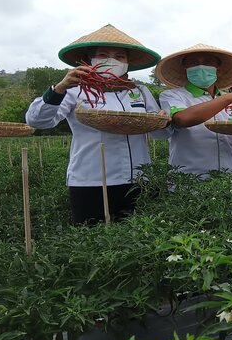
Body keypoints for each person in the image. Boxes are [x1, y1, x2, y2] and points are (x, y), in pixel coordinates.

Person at [25, 24, 165, 224]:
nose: (112, 60)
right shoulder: (75, 90)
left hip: (139, 180)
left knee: (139, 241)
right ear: (90, 61)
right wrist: (60, 87)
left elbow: (160, 133)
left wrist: (162, 120)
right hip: (91, 181)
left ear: (127, 63)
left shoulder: (140, 91)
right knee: (92, 242)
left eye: (120, 56)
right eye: (103, 54)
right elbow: (37, 120)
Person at [156, 43, 232, 179]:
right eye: (193, 63)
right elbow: (181, 119)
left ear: (219, 70)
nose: (200, 67)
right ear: (185, 70)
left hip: (227, 180)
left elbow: (231, 139)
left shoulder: (230, 103)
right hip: (188, 182)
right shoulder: (173, 96)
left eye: (207, 62)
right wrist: (228, 98)